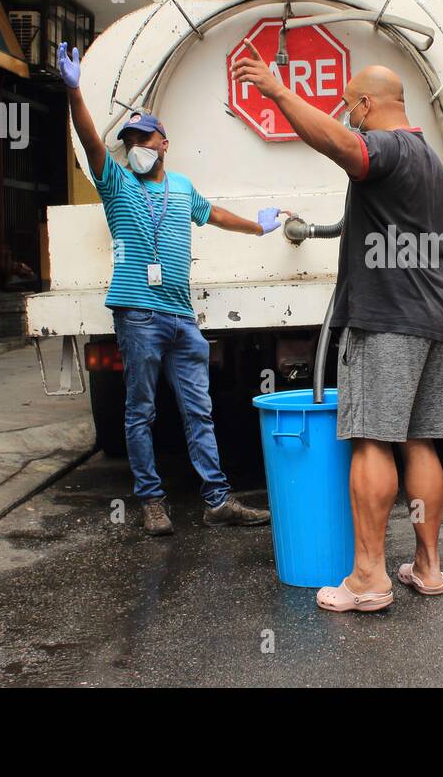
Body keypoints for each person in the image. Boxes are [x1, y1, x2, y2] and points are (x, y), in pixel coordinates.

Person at [232, 49, 443, 614]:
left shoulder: (385, 147)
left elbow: (345, 147)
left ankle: (368, 577)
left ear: (365, 103)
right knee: (420, 441)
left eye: (352, 106)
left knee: (372, 439)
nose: (349, 114)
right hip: (434, 317)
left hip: (385, 320)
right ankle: (427, 567)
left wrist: (280, 94)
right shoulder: (430, 159)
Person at [59, 42, 279, 537]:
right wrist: (74, 93)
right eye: (130, 137)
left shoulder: (180, 186)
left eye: (144, 136)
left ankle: (218, 500)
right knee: (141, 411)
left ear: (164, 142)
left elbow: (214, 214)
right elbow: (93, 142)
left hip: (182, 318)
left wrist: (258, 227)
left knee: (200, 410)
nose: (136, 143)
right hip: (137, 313)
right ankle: (152, 502)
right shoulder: (116, 183)